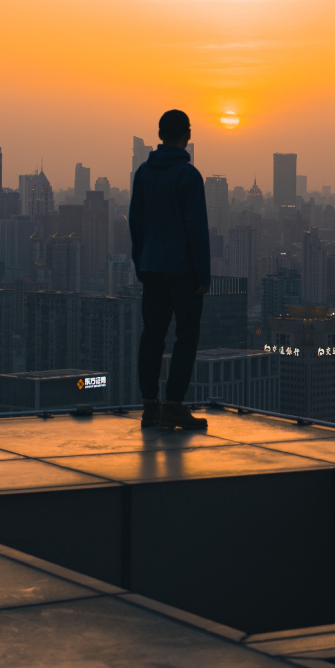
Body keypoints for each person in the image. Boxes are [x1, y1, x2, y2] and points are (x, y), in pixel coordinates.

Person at [129, 109, 211, 431]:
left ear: (161, 134)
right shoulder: (188, 177)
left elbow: (135, 222)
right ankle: (174, 404)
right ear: (187, 136)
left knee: (152, 335)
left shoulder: (143, 174)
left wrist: (141, 262)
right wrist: (203, 275)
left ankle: (151, 407)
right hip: (182, 271)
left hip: (151, 267)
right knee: (186, 335)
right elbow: (196, 229)